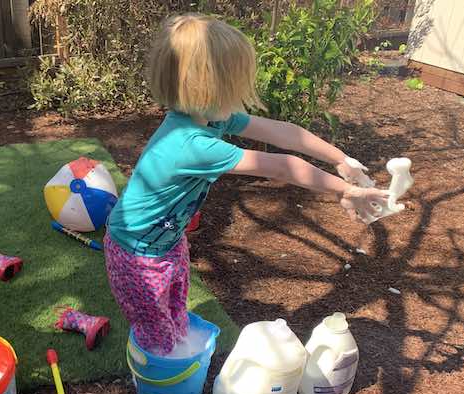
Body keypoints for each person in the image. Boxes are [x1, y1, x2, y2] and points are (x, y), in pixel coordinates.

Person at [105, 13, 389, 355]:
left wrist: (340, 158)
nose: (241, 92)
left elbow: (285, 133)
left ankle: (175, 355)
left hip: (167, 240)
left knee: (176, 312)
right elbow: (282, 167)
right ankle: (163, 393)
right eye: (236, 82)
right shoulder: (190, 144)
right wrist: (346, 190)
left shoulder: (209, 115)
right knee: (157, 334)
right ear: (210, 85)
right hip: (136, 255)